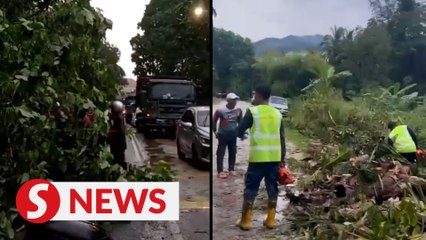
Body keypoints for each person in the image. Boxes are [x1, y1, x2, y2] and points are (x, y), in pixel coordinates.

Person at [236, 85, 286, 230]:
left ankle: (246, 222)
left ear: (258, 95)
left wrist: (241, 135)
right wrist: (282, 159)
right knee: (272, 188)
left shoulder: (253, 112)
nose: (254, 98)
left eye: (255, 95)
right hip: (274, 159)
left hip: (258, 159)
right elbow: (282, 138)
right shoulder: (278, 114)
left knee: (251, 188)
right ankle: (271, 221)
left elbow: (240, 129)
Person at [213, 93, 243, 178]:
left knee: (233, 151)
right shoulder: (220, 110)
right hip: (223, 134)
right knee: (221, 152)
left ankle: (231, 169)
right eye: (233, 100)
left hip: (233, 134)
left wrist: (241, 133)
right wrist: (214, 131)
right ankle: (220, 171)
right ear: (228, 101)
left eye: (236, 100)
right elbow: (214, 120)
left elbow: (240, 122)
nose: (235, 101)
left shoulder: (238, 110)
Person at [108, 101, 127, 170]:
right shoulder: (117, 117)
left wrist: (110, 132)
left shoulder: (119, 119)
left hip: (118, 144)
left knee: (119, 161)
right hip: (118, 144)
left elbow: (121, 131)